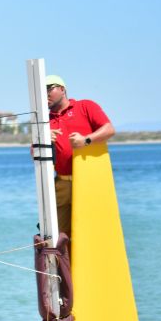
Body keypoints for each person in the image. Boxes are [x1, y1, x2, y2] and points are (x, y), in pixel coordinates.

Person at [46, 75, 115, 238]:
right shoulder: (43, 120)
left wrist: (86, 140)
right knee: (59, 235)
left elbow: (109, 130)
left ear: (62, 89)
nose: (45, 94)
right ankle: (65, 264)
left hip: (87, 180)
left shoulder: (85, 106)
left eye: (49, 89)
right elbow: (33, 153)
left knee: (90, 230)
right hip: (61, 183)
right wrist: (42, 139)